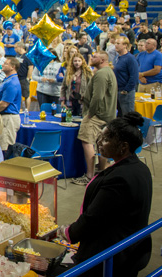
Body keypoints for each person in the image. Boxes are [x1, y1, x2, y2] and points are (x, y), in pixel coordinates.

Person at [63, 112, 152, 277]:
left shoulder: (120, 178)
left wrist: (68, 233)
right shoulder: (139, 168)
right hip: (130, 245)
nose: (99, 143)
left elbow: (94, 218)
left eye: (105, 139)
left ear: (123, 147)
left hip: (114, 254)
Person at [74, 50, 117, 186]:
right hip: (107, 114)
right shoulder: (108, 72)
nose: (91, 58)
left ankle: (89, 175)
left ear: (103, 60)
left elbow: (98, 97)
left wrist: (90, 113)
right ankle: (101, 172)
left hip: (97, 115)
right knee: (101, 143)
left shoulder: (101, 74)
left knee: (87, 141)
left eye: (95, 57)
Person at [0, 57, 22, 154]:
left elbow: (4, 103)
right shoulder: (7, 80)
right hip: (4, 118)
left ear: (13, 67)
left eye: (6, 63)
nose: (2, 65)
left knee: (5, 149)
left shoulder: (12, 82)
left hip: (8, 119)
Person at [113, 36, 139, 117]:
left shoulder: (130, 58)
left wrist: (126, 90)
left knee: (128, 117)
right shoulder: (116, 58)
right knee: (119, 116)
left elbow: (134, 76)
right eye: (115, 43)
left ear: (125, 45)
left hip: (125, 93)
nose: (115, 45)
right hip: (117, 91)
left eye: (118, 43)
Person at [61, 53, 92, 117]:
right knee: (69, 118)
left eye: (79, 61)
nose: (77, 63)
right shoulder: (68, 72)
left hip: (82, 100)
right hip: (70, 100)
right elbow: (63, 87)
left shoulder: (87, 72)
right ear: (72, 62)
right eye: (75, 61)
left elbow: (91, 87)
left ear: (82, 62)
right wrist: (62, 100)